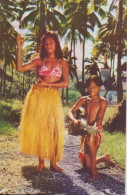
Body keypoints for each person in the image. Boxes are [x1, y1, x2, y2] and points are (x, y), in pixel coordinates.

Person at [17, 30, 69, 172]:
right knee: (40, 128)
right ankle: (41, 161)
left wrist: (48, 84)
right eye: (46, 43)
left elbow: (65, 83)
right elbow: (20, 68)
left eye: (51, 42)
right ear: (43, 46)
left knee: (53, 130)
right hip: (38, 96)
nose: (48, 45)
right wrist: (20, 48)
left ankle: (53, 162)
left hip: (52, 97)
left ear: (56, 44)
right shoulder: (40, 60)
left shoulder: (63, 62)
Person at [68, 75, 115, 178]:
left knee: (91, 138)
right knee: (86, 165)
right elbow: (70, 112)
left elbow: (99, 119)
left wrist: (93, 128)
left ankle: (94, 171)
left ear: (99, 88)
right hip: (86, 130)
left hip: (96, 130)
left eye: (94, 86)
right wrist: (74, 120)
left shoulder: (102, 101)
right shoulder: (84, 99)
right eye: (89, 86)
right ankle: (104, 158)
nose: (91, 89)